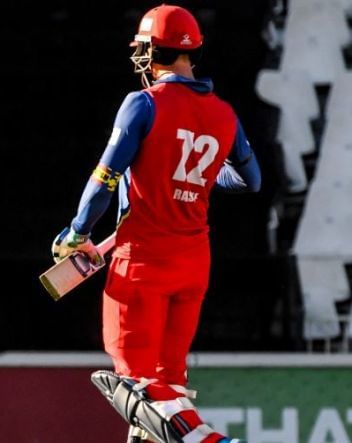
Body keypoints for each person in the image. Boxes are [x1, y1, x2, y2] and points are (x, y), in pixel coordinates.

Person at [52, 5, 261, 443]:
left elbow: (104, 178)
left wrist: (77, 234)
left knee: (135, 386)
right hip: (194, 263)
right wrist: (199, 176)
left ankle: (210, 441)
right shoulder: (223, 113)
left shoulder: (143, 104)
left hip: (142, 261)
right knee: (167, 390)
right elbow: (250, 179)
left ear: (151, 51)